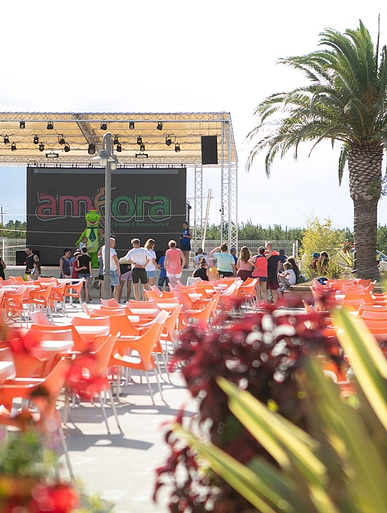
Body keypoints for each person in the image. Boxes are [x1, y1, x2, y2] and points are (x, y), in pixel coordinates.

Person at [100, 237, 121, 301]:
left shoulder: (103, 249)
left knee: (107, 286)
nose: (114, 244)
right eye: (113, 243)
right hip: (113, 269)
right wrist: (118, 269)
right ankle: (116, 301)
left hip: (105, 269)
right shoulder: (111, 250)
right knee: (117, 286)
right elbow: (116, 260)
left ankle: (108, 300)